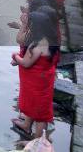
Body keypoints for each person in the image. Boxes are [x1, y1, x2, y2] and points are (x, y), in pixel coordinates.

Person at [11, 11, 59, 140]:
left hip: (36, 81)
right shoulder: (51, 39)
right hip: (44, 79)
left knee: (39, 113)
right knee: (35, 104)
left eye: (30, 25)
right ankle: (26, 124)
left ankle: (36, 141)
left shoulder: (37, 44)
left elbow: (26, 63)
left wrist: (15, 57)